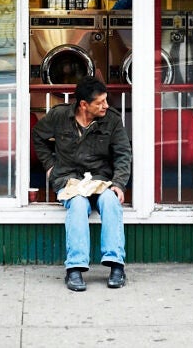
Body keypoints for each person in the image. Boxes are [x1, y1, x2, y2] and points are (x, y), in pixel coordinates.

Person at [31, 76, 132, 291]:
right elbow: (38, 135)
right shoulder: (59, 116)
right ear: (83, 104)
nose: (106, 105)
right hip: (68, 179)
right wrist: (50, 166)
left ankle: (116, 265)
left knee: (111, 202)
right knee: (77, 206)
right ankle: (74, 269)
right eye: (100, 102)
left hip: (100, 179)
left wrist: (119, 183)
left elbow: (123, 153)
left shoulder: (112, 120)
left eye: (106, 100)